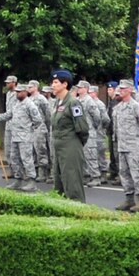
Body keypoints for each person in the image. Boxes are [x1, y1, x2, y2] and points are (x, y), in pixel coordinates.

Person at [47, 70, 90, 202]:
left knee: (72, 184)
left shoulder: (73, 103)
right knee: (59, 184)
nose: (52, 85)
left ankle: (78, 214)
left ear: (65, 84)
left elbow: (82, 128)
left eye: (55, 82)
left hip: (70, 146)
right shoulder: (57, 103)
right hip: (59, 147)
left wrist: (74, 144)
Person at [109, 82, 139, 212]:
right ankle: (129, 199)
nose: (120, 90)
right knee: (124, 173)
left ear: (130, 90)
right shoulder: (118, 108)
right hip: (121, 146)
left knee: (137, 173)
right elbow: (115, 128)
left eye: (123, 88)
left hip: (134, 146)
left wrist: (135, 139)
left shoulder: (136, 106)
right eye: (119, 88)